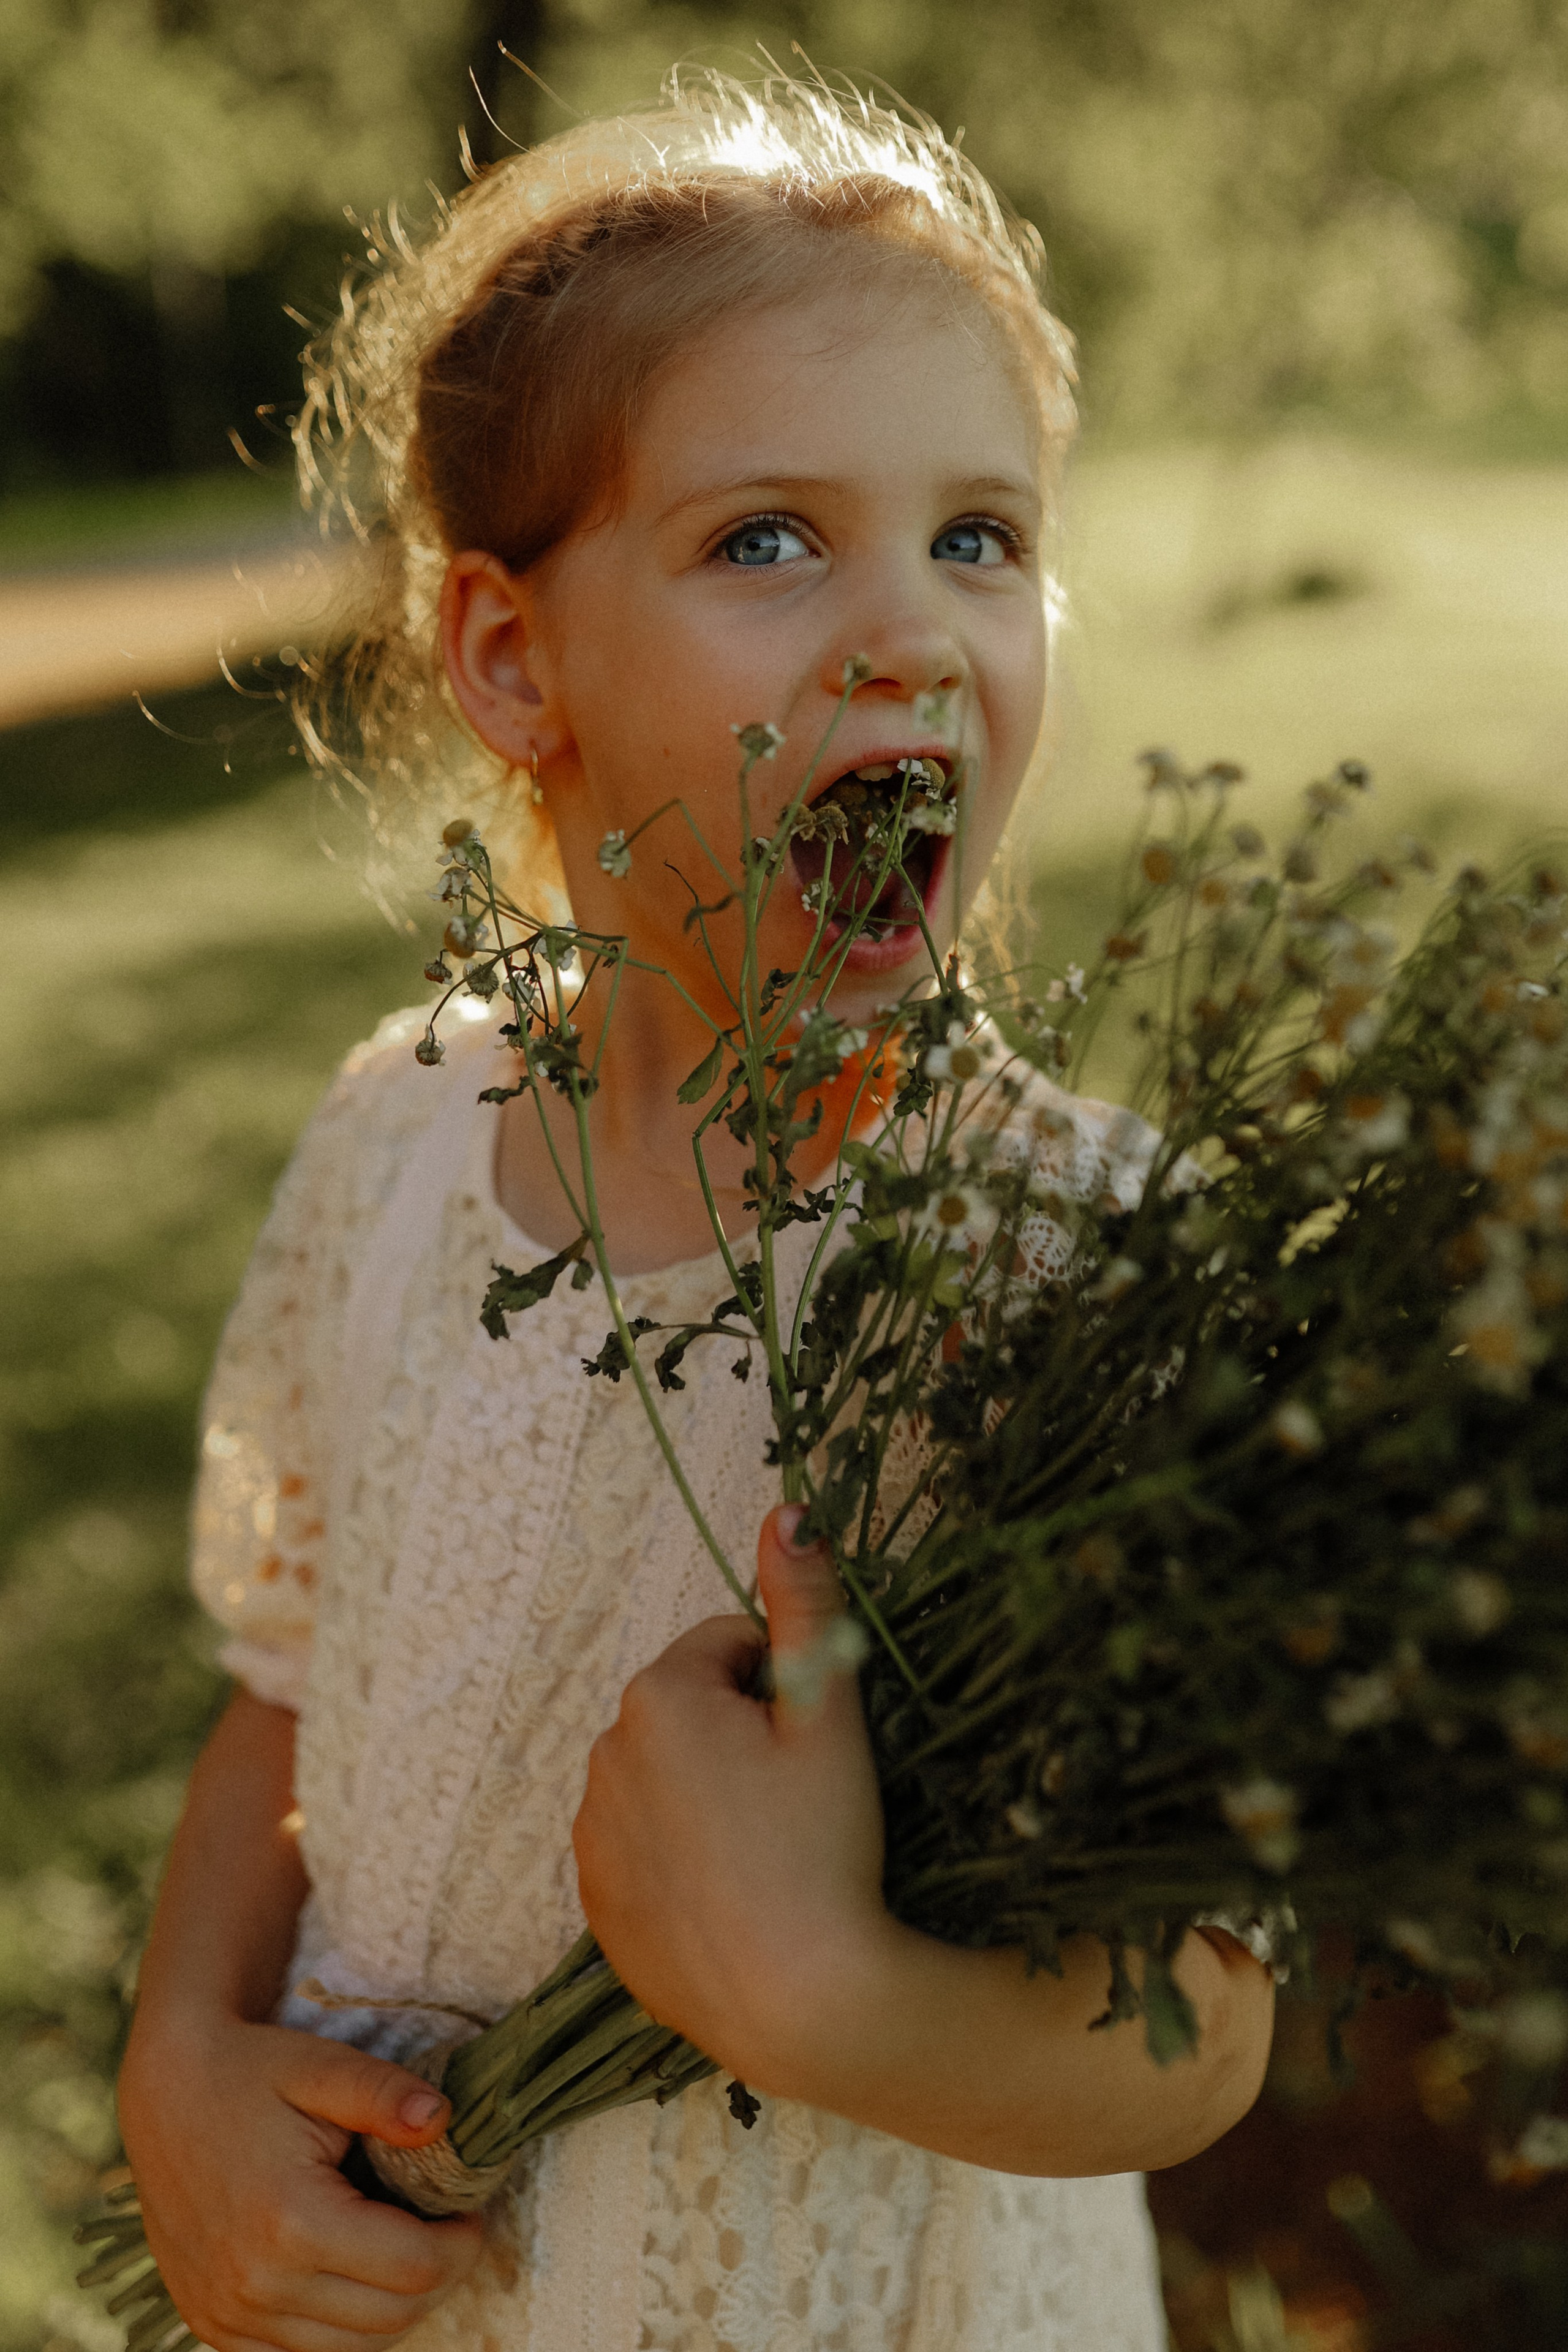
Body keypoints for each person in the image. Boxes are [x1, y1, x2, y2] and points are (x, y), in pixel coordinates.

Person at [117, 70, 1275, 2352]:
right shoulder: (402, 1139)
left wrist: (812, 1987)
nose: (911, 636)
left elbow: (1203, 2028)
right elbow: (287, 1684)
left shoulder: (1073, 1275)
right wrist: (180, 2061)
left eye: (981, 541)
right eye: (769, 541)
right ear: (513, 660)